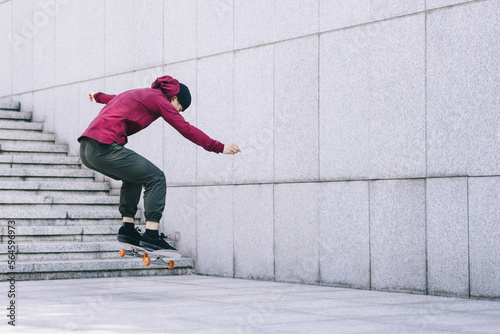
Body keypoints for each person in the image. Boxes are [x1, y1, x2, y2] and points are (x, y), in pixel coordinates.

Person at [78, 75, 241, 253]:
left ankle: (128, 229)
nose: (176, 113)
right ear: (174, 98)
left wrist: (97, 96)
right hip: (104, 147)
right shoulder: (159, 99)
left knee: (134, 176)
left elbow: (115, 98)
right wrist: (219, 147)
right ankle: (151, 235)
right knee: (156, 177)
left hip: (87, 150)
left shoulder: (142, 94)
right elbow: (185, 128)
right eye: (178, 109)